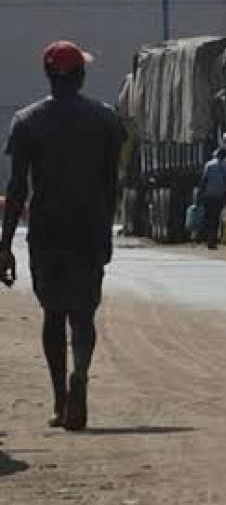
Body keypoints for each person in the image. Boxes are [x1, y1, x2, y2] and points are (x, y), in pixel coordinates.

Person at [0, 41, 124, 431]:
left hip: (47, 231)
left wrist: (4, 245)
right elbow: (111, 184)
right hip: (88, 227)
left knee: (53, 313)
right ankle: (81, 376)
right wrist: (105, 227)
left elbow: (17, 189)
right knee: (83, 313)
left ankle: (59, 401)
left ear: (48, 75)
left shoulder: (26, 121)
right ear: (82, 75)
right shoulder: (104, 120)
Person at [198, 148, 226, 249]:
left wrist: (200, 194)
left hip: (209, 195)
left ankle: (209, 239)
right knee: (216, 218)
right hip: (220, 195)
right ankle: (213, 240)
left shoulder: (209, 165)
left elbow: (204, 180)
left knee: (208, 218)